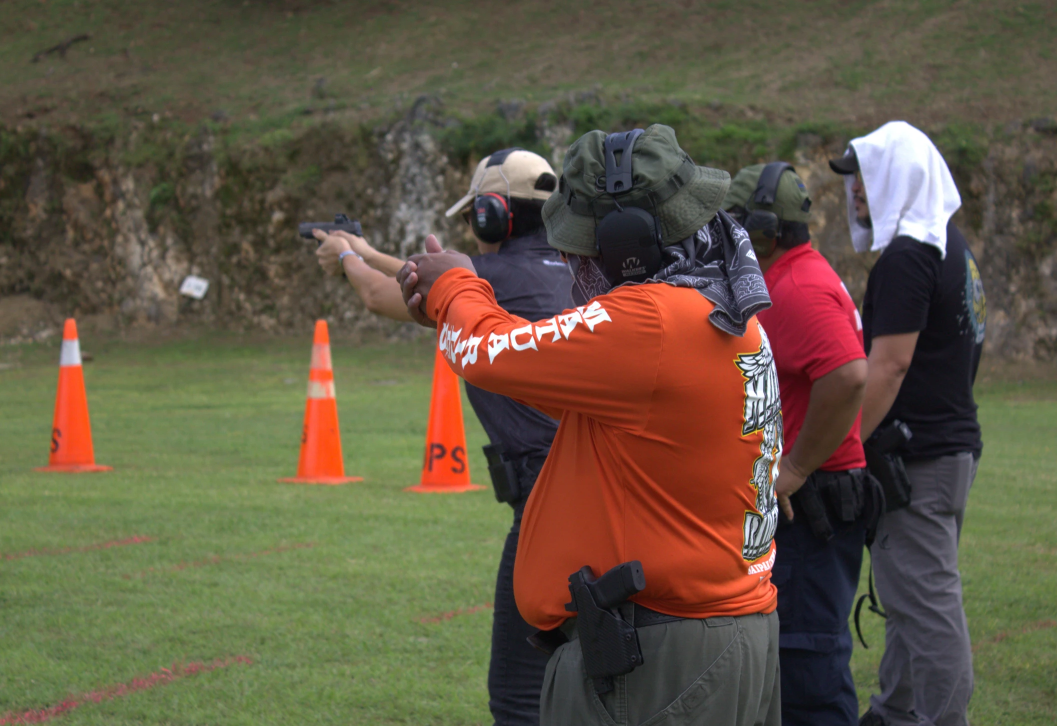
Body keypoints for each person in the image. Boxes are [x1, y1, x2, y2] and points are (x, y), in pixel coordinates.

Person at [398, 125, 782, 726]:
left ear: (627, 244)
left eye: (582, 241)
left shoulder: (651, 321)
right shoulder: (716, 309)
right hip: (717, 637)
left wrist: (454, 281)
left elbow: (485, 352)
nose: (572, 260)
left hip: (660, 658)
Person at [313, 148, 573, 726]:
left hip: (544, 503)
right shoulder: (578, 270)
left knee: (516, 696)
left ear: (490, 217)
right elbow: (422, 275)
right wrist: (365, 249)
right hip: (594, 489)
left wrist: (349, 258)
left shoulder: (488, 278)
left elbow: (382, 296)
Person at [828, 121, 985, 726]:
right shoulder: (953, 247)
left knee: (928, 609)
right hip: (948, 454)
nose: (857, 192)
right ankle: (894, 712)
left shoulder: (908, 257)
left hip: (917, 463)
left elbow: (887, 367)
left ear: (902, 175)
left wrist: (842, 445)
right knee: (909, 599)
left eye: (866, 178)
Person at [723, 163, 872, 725]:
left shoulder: (798, 288)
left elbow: (850, 375)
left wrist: (797, 465)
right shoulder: (796, 275)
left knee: (807, 670)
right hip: (816, 506)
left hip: (814, 509)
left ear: (760, 228)